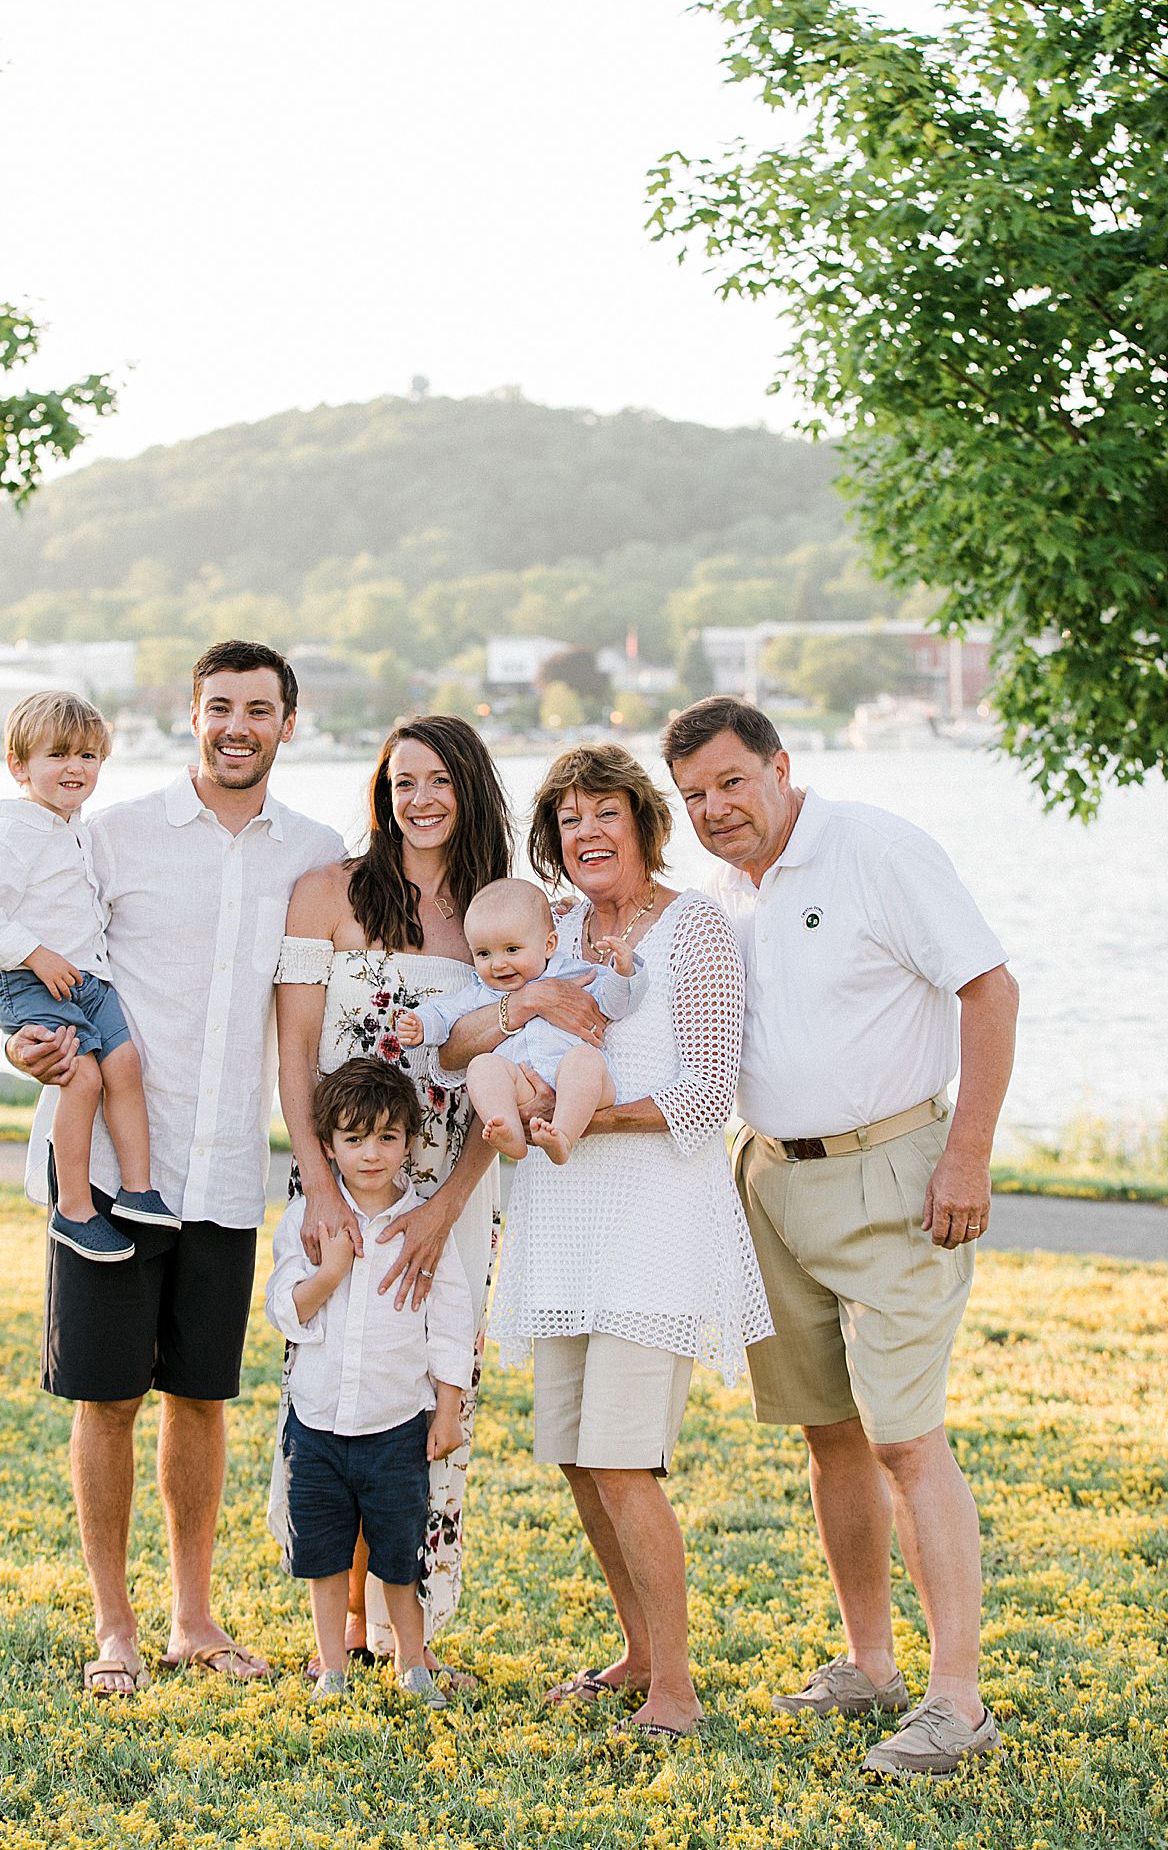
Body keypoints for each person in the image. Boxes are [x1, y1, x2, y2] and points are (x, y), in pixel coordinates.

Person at [663, 694, 1019, 1778]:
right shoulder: (719, 893)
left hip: (897, 1176)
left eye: (730, 782)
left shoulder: (875, 848)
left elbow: (988, 988)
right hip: (769, 1177)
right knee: (826, 1430)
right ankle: (869, 1663)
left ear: (778, 764)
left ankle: (956, 1702)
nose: (716, 810)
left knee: (903, 1437)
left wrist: (965, 1156)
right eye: (691, 798)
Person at [5, 641, 344, 1698]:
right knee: (105, 1400)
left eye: (259, 708)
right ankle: (117, 1627)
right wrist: (21, 1040)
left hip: (228, 1171)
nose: (237, 725)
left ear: (289, 722)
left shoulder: (319, 854)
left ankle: (193, 1619)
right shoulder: (111, 837)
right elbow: (33, 951)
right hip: (111, 1169)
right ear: (190, 717)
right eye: (219, 708)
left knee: (200, 1397)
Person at [440, 743, 773, 1739]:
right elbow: (463, 1041)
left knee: (626, 1462)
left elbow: (706, 1095)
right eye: (568, 819)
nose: (585, 833)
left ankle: (676, 1690)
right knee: (581, 1461)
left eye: (603, 813)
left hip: (653, 1227)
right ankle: (634, 1655)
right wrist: (519, 1040)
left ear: (640, 820)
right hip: (563, 1227)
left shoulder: (694, 930)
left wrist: (579, 1120)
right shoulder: (552, 933)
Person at [274, 715, 517, 1681]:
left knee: (425, 1392)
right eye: (401, 781)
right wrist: (319, 1185)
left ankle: (409, 1631)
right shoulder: (326, 892)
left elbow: (507, 1063)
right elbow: (294, 1052)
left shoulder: (496, 912)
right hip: (339, 1181)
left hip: (450, 1194)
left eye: (439, 780)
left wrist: (451, 1203)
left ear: (469, 788)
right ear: (381, 792)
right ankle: (347, 1635)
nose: (419, 799)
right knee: (336, 1379)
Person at [265, 1059, 473, 1709]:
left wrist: (446, 1414)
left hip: (395, 1423)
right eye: (354, 1139)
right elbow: (284, 1307)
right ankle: (332, 1668)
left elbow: (452, 1328)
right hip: (319, 1422)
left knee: (397, 1553)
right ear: (328, 1146)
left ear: (410, 1140)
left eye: (387, 1137)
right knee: (323, 1556)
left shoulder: (422, 1230)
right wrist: (331, 1273)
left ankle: (411, 1662)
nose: (372, 1153)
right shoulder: (309, 1220)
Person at [0, 690, 176, 1262]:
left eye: (88, 756)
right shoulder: (8, 838)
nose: (74, 767)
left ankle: (138, 1188)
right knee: (81, 1076)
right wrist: (35, 954)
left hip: (84, 977)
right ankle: (73, 1209)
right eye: (57, 754)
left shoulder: (76, 830)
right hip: (23, 976)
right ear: (18, 766)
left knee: (125, 1063)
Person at [395, 877, 647, 1163]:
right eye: (484, 954)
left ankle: (563, 1134)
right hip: (525, 1087)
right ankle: (509, 1130)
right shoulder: (481, 991)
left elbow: (614, 1004)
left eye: (512, 949)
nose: (498, 964)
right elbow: (445, 1012)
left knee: (583, 1059)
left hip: (582, 1085)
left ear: (549, 945)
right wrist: (421, 1025)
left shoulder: (573, 974)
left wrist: (623, 972)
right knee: (482, 1066)